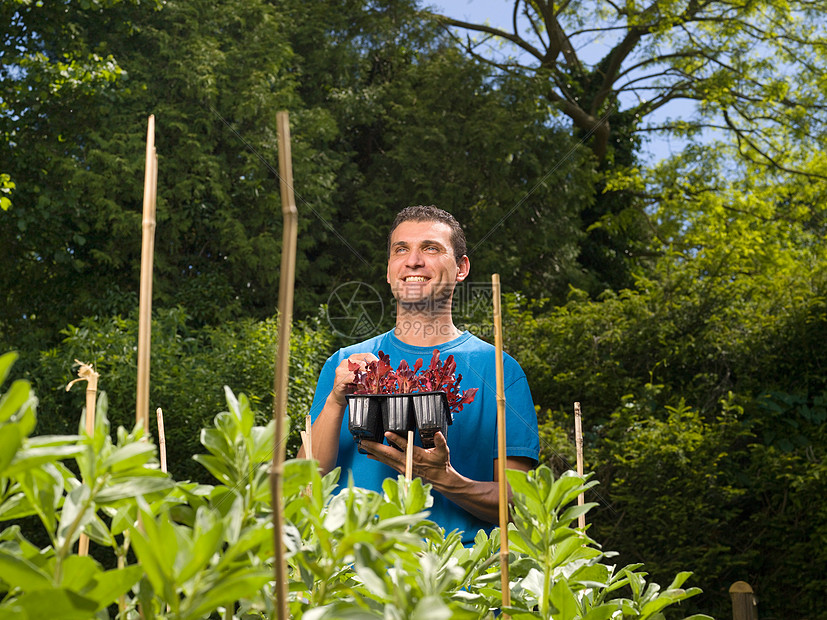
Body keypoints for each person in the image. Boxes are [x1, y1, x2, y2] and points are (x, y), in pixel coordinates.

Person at [299, 205, 539, 543]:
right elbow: (305, 486)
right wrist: (337, 400)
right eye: (401, 250)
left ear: (461, 268)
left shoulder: (500, 372)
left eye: (431, 248)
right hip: (352, 579)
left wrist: (443, 478)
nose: (413, 261)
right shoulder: (344, 364)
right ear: (388, 271)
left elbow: (522, 507)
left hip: (456, 581)